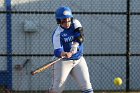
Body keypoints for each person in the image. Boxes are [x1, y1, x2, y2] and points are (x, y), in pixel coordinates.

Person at [49, 6, 93, 93]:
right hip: (63, 62)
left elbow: (80, 36)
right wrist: (64, 53)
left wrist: (75, 46)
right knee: (57, 89)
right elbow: (57, 51)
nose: (67, 22)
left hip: (78, 59)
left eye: (68, 19)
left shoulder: (76, 23)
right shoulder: (57, 33)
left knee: (87, 86)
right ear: (59, 21)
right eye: (63, 20)